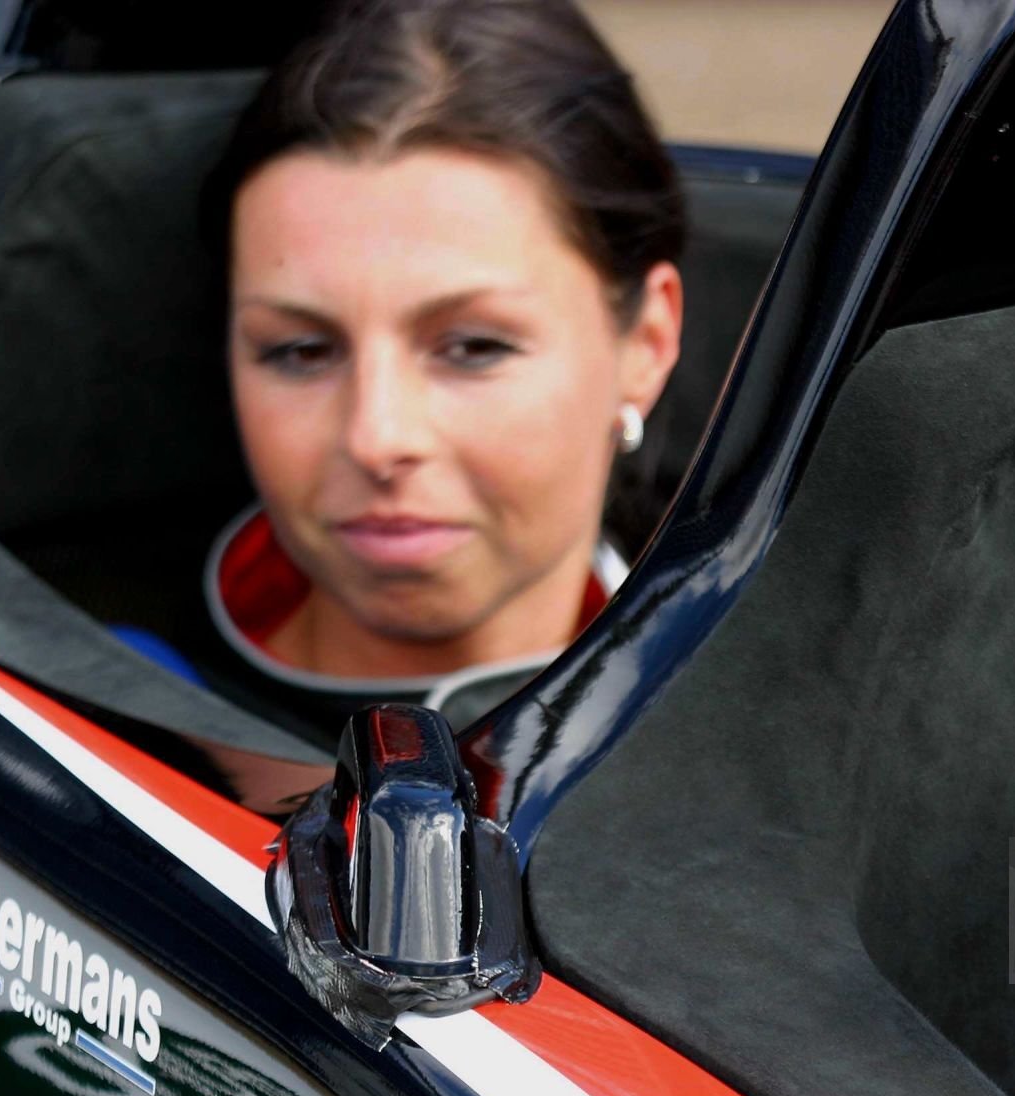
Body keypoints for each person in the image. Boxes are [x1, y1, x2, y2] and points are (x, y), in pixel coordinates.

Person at [144, 0, 685, 746]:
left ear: (646, 345)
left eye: (473, 346)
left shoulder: (791, 707)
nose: (377, 437)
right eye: (300, 351)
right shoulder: (93, 715)